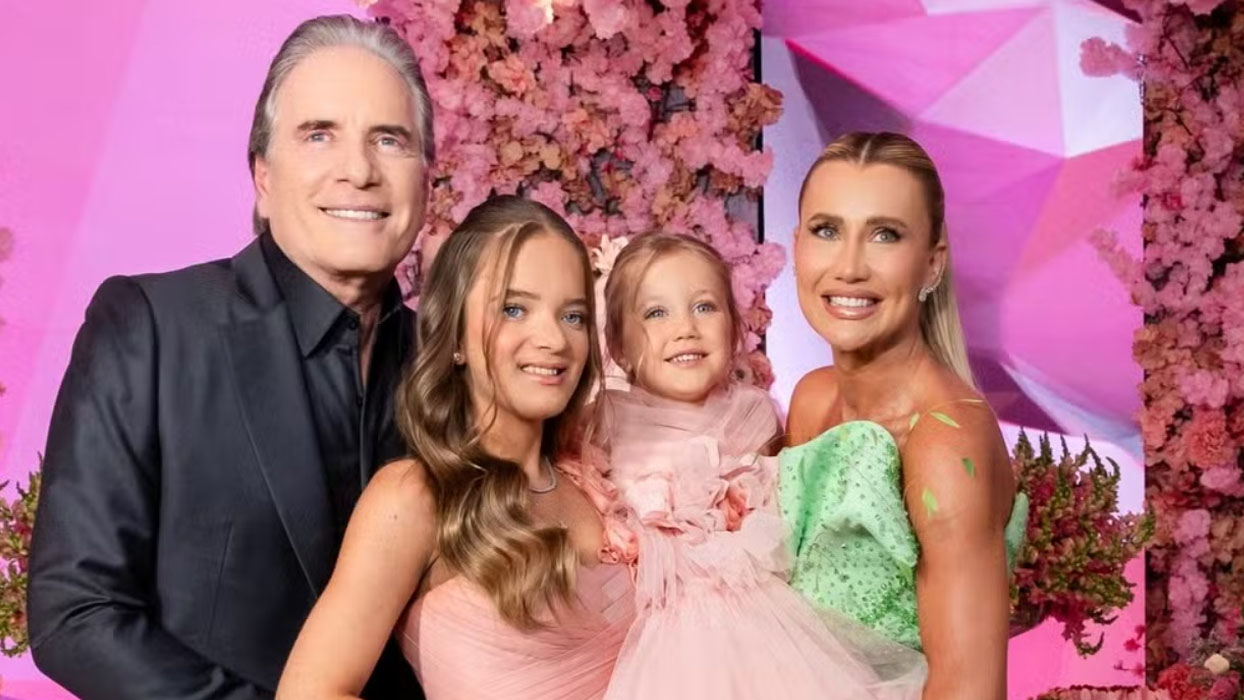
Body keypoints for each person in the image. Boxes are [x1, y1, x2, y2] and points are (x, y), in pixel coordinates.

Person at [27, 15, 430, 698]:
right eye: (319, 135)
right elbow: (78, 612)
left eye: (389, 139)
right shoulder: (153, 328)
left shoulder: (453, 367)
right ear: (262, 176)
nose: (359, 171)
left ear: (427, 179)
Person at [276, 196, 636, 700]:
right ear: (456, 338)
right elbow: (309, 693)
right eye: (514, 309)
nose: (553, 338)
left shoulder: (603, 483)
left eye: (573, 316)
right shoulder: (414, 497)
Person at [595, 233, 922, 699]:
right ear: (619, 346)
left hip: (771, 630)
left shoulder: (754, 416)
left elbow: (792, 524)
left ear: (734, 328)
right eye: (656, 313)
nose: (685, 328)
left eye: (704, 306)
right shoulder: (606, 426)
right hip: (668, 643)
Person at [780, 131, 1029, 699]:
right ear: (796, 247)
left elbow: (970, 689)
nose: (849, 267)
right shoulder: (812, 398)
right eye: (826, 230)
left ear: (932, 265)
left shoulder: (946, 444)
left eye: (884, 235)